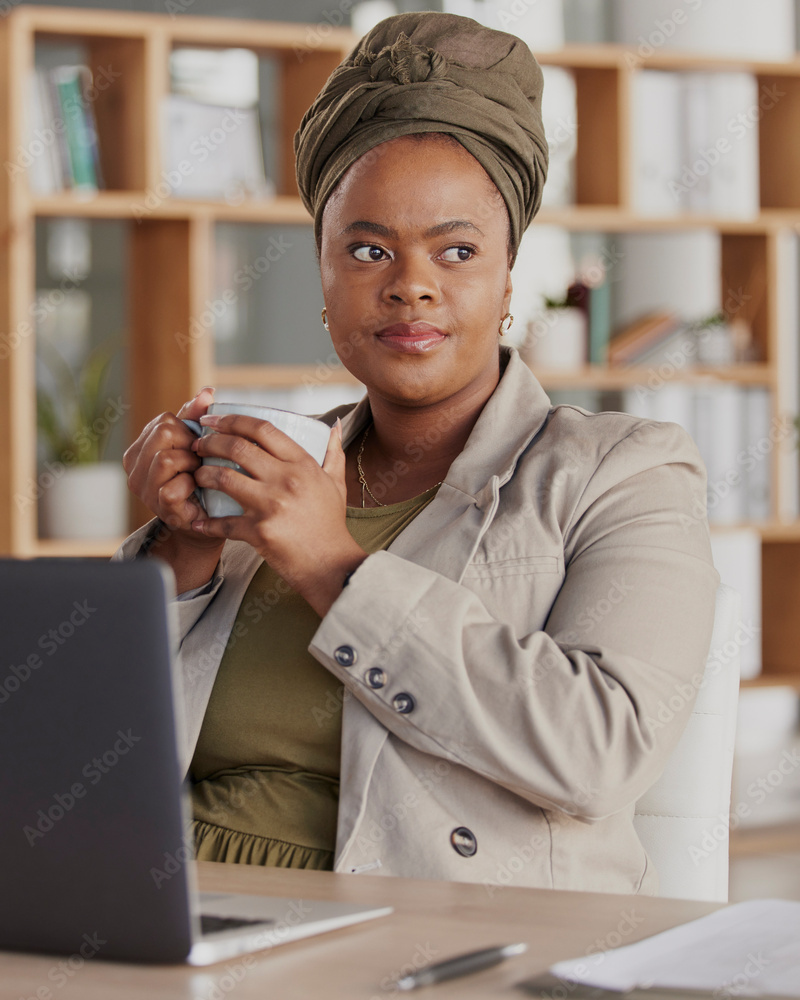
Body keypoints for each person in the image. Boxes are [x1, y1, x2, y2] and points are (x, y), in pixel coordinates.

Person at [117, 12, 718, 894]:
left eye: (457, 249)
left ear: (509, 275)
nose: (411, 283)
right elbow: (84, 755)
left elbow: (600, 749)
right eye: (367, 249)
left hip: (427, 942)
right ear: (323, 278)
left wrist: (330, 563)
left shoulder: (624, 472)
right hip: (169, 913)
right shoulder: (270, 465)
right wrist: (183, 551)